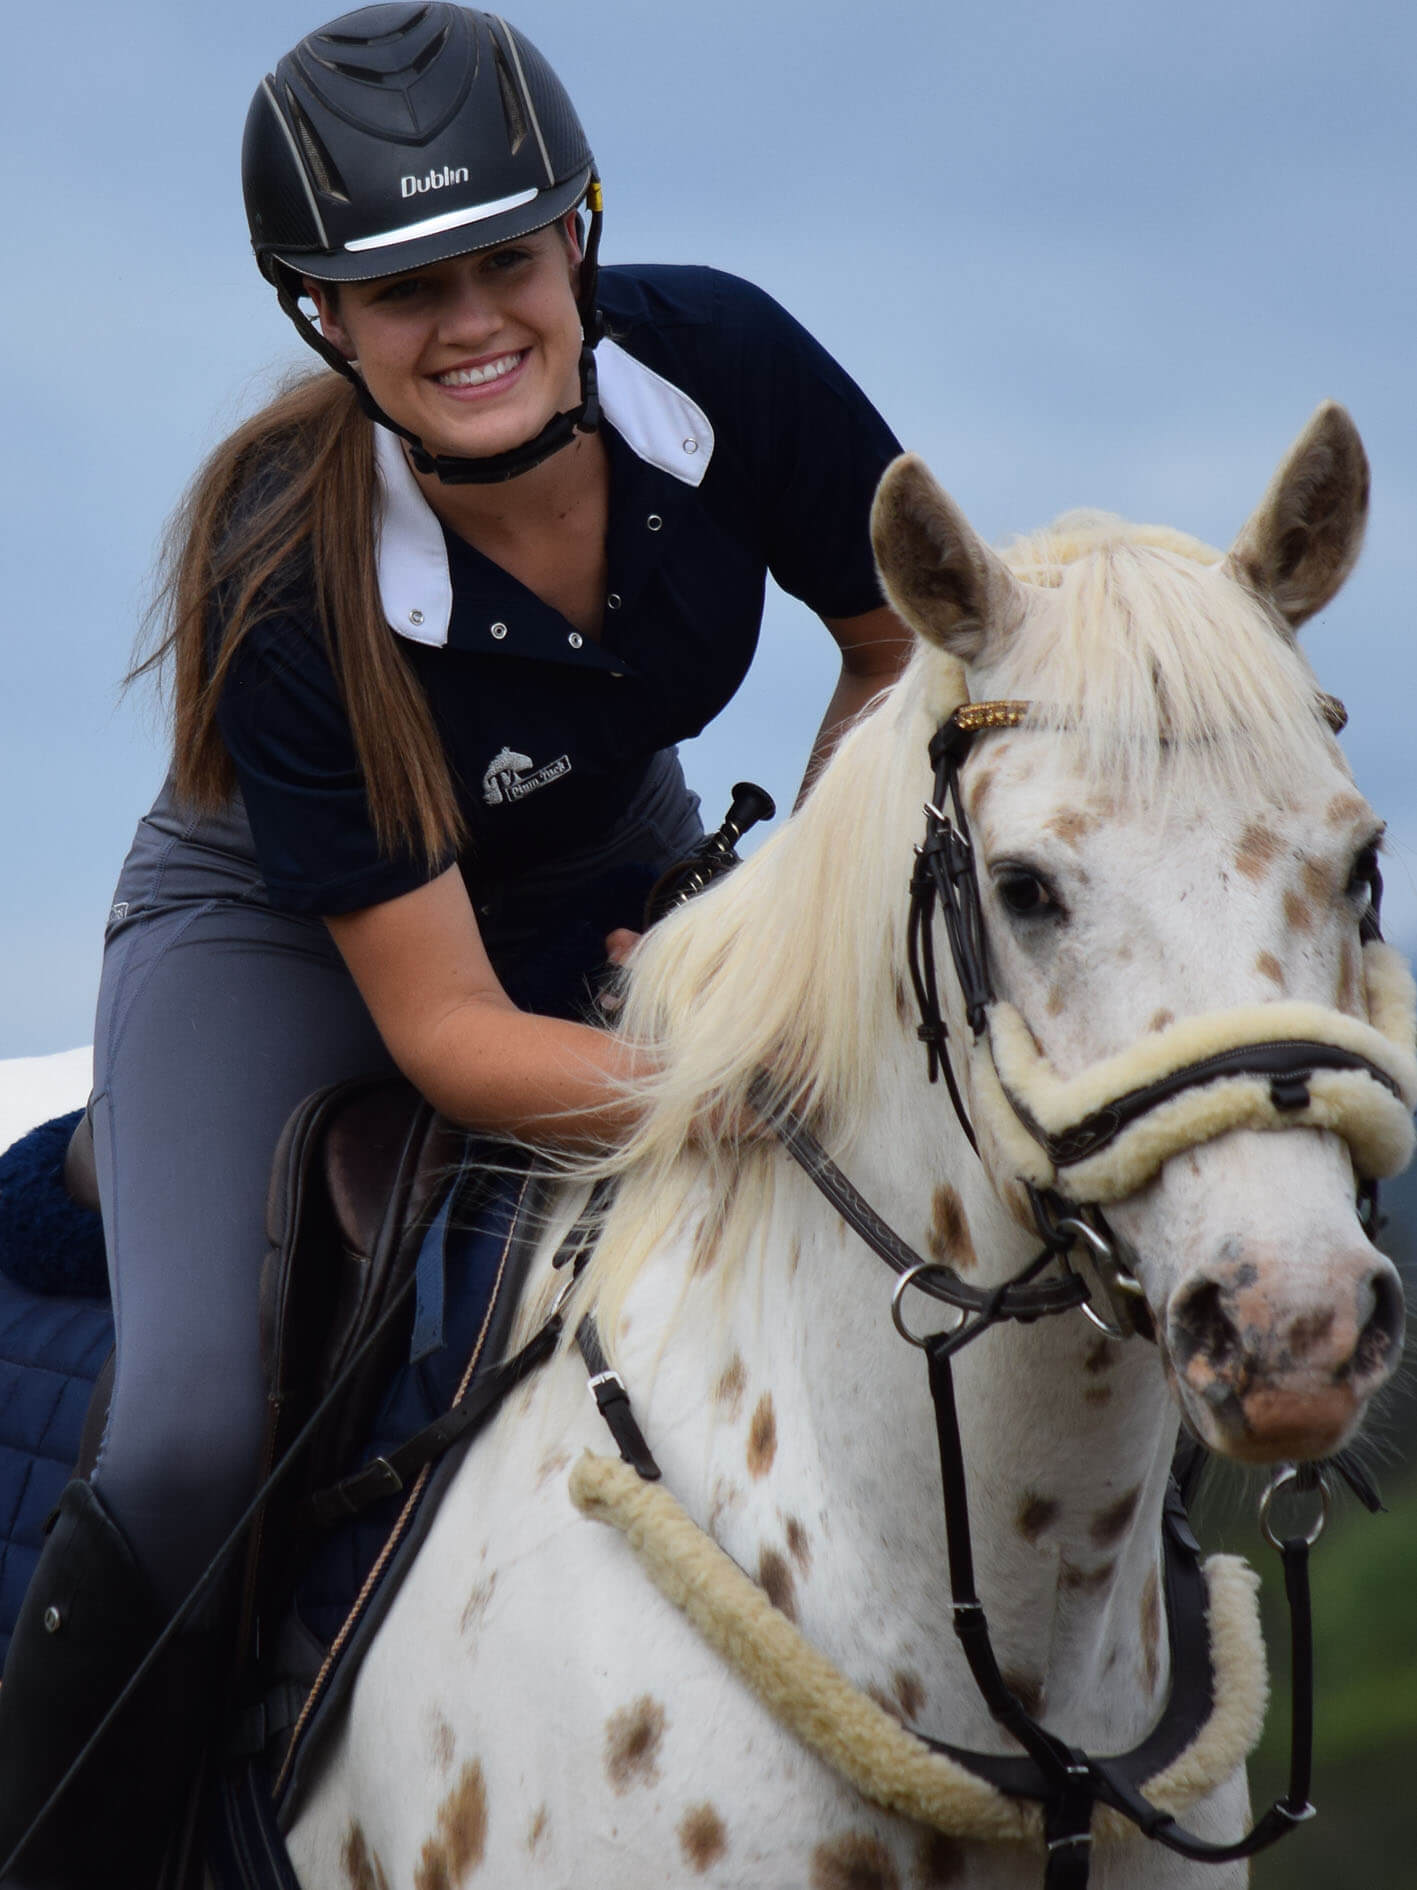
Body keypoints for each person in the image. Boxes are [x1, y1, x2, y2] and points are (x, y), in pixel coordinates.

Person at [0, 4, 908, 1881]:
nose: (469, 317)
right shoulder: (285, 547)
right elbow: (455, 1043)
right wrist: (738, 1081)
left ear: (577, 226)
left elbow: (896, 641)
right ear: (316, 312)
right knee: (178, 1434)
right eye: (395, 285)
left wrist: (797, 925)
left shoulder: (725, 357)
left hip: (603, 845)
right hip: (282, 935)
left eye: (503, 254)